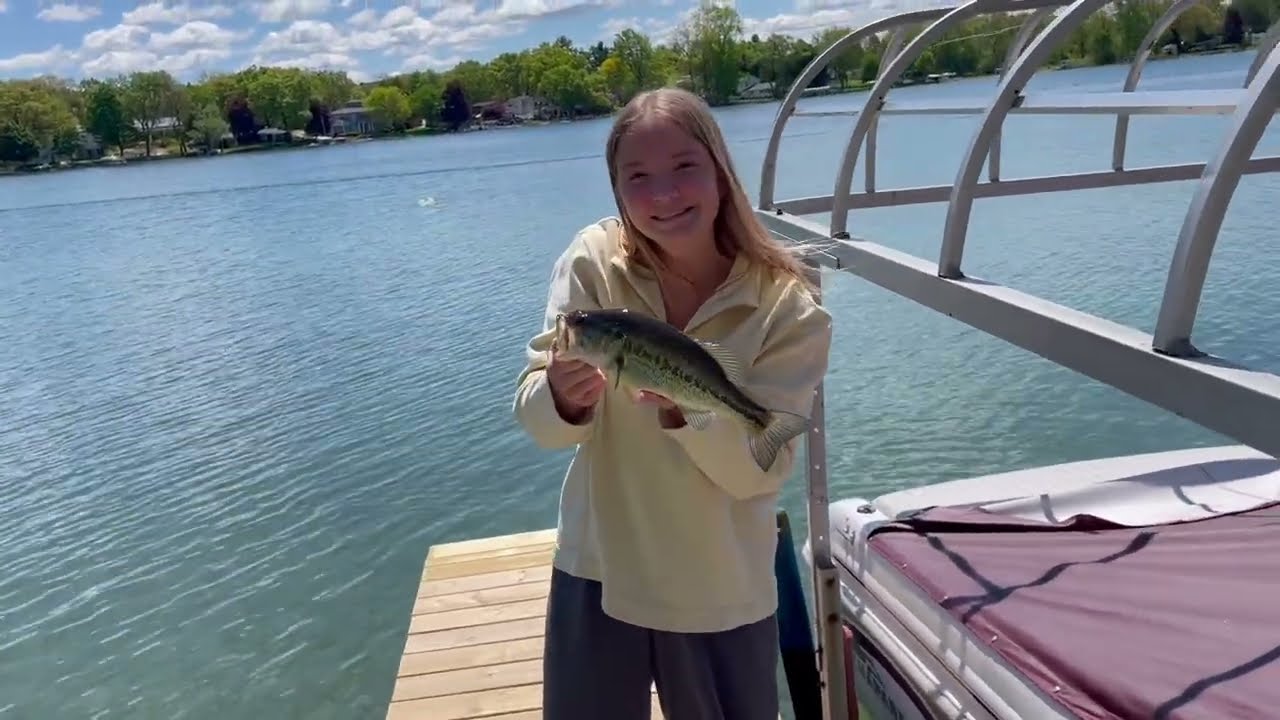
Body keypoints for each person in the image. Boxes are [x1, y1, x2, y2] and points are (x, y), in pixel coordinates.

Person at [512, 87, 833, 720]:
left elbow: (758, 472)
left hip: (720, 582)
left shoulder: (788, 305)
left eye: (684, 167)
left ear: (720, 170)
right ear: (616, 189)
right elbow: (538, 421)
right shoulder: (593, 263)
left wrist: (688, 412)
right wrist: (560, 399)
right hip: (599, 566)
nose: (664, 195)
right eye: (638, 177)